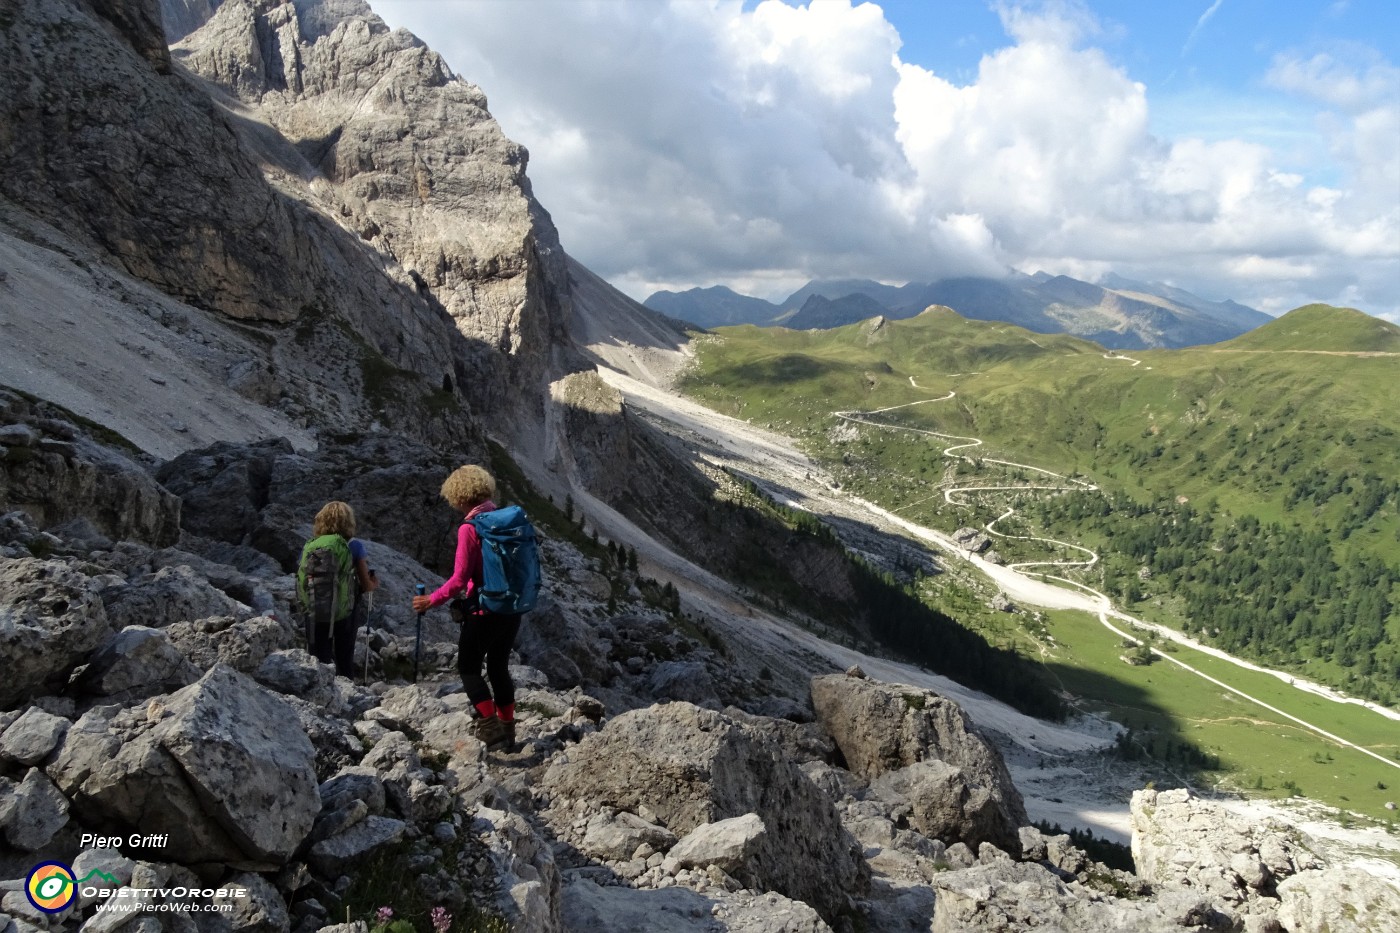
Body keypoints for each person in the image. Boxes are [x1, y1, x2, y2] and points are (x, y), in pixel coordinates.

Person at [411, 465, 521, 751]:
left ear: (459, 495)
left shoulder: (471, 528)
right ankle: (508, 732)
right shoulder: (507, 520)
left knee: (469, 667)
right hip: (513, 607)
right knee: (499, 667)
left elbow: (459, 580)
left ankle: (490, 728)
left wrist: (430, 600)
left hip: (485, 610)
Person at [308, 500, 378, 677]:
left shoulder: (312, 545)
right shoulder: (354, 545)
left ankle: (316, 687)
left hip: (315, 606)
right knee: (344, 654)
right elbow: (366, 585)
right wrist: (373, 583)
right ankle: (347, 693)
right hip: (346, 608)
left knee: (317, 655)